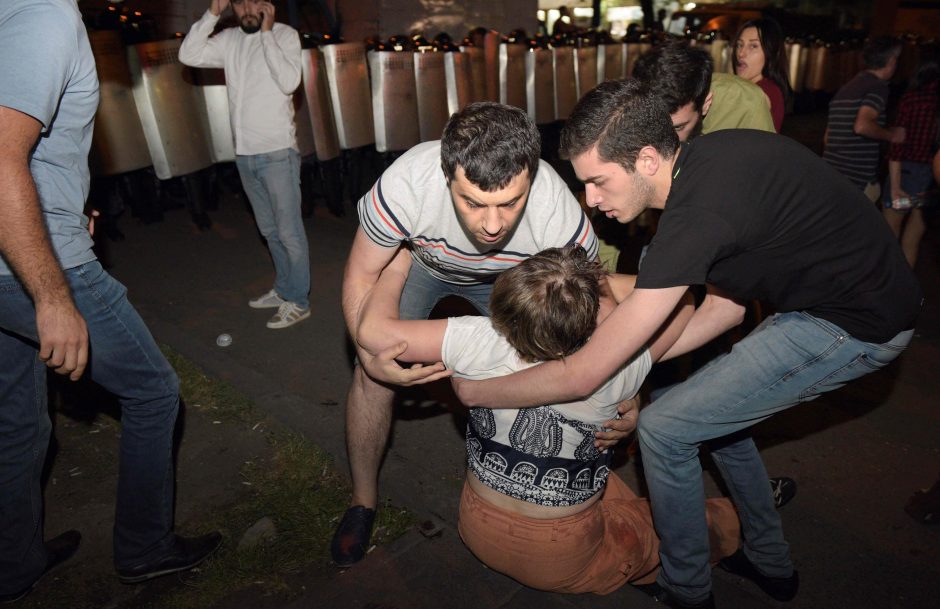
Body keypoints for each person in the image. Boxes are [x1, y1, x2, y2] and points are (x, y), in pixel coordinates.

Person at [449, 79, 922, 608]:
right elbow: (725, 308)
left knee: (664, 428)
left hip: (857, 324)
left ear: (647, 159)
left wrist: (475, 391)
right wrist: (623, 373)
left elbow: (585, 373)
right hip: (833, 302)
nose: (591, 199)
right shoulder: (705, 166)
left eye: (599, 181)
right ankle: (769, 561)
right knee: (708, 415)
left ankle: (687, 589)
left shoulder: (694, 219)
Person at [355, 245, 748, 594]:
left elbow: (373, 332)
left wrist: (396, 266)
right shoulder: (614, 364)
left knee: (612, 490)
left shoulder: (474, 336)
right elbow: (683, 305)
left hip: (474, 524)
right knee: (681, 519)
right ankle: (740, 518)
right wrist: (597, 282)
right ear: (592, 320)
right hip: (563, 553)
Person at [0, 1, 221, 602]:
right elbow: (2, 157)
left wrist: (68, 200)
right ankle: (145, 547)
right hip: (30, 261)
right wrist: (51, 295)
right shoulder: (44, 16)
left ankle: (13, 562)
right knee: (153, 392)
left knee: (18, 420)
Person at [331, 102, 601, 567]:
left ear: (531, 176)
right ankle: (362, 500)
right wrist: (366, 349)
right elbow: (360, 276)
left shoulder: (558, 215)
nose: (492, 225)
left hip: (513, 278)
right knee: (371, 373)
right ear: (446, 173)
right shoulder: (408, 181)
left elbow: (595, 315)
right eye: (473, 203)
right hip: (421, 263)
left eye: (509, 203)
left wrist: (624, 395)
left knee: (548, 366)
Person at [179, 0, 310, 329]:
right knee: (269, 231)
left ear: (267, 4)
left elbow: (289, 81)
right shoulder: (228, 39)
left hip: (278, 152)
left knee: (289, 232)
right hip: (245, 154)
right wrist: (211, 13)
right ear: (232, 8)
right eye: (240, 3)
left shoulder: (285, 35)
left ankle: (299, 300)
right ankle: (284, 290)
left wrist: (266, 35)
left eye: (255, 1)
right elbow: (188, 55)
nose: (249, 8)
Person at [632, 38, 775, 142]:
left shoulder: (745, 103)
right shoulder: (627, 106)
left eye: (677, 128)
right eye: (652, 124)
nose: (663, 141)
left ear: (706, 103)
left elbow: (767, 171)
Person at [824, 35, 906, 202]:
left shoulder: (847, 88)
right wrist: (892, 136)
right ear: (891, 61)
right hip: (857, 179)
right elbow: (862, 126)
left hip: (831, 173)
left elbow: (827, 137)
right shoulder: (877, 87)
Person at [881, 55, 939, 268]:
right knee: (912, 241)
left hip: (905, 175)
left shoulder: (912, 99)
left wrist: (895, 185)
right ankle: (904, 295)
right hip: (932, 179)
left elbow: (897, 145)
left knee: (887, 238)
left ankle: (882, 292)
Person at [731, 18, 791, 132]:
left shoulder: (763, 92)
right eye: (739, 45)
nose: (741, 53)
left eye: (753, 46)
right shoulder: (751, 88)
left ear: (770, 53)